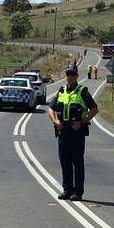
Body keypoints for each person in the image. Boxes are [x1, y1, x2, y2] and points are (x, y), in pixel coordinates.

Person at [48, 66, 98, 201]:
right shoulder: (61, 91)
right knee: (65, 162)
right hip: (63, 131)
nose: (70, 77)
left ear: (76, 76)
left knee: (77, 163)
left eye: (72, 74)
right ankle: (67, 190)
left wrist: (81, 122)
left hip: (77, 132)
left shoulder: (82, 91)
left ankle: (78, 192)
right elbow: (51, 109)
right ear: (65, 76)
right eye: (68, 74)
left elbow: (94, 109)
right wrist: (55, 121)